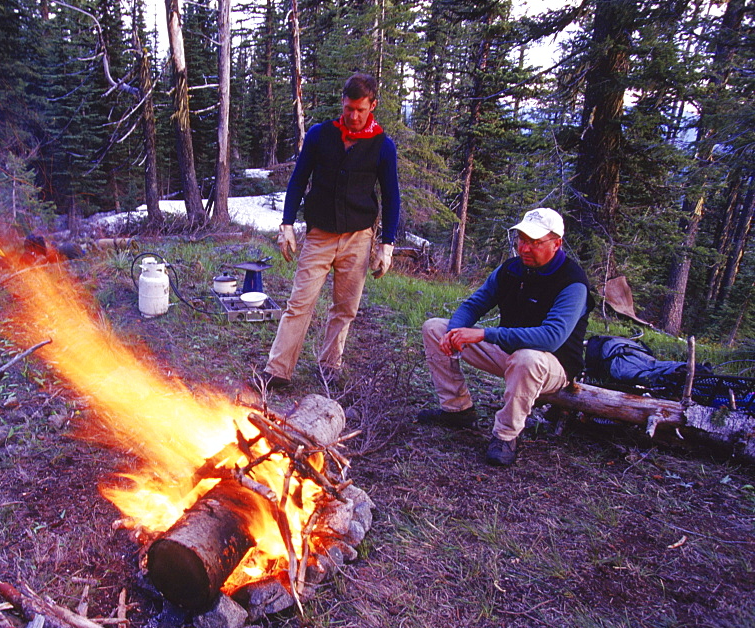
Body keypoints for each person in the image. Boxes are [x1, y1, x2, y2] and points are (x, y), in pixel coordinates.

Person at [416, 208, 595, 466]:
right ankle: (457, 410)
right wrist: (456, 331)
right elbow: (474, 304)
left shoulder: (573, 282)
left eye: (535, 243)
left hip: (553, 365)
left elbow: (551, 337)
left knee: (528, 359)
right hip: (509, 352)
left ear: (556, 244)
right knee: (435, 328)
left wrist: (484, 334)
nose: (524, 248)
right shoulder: (512, 269)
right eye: (521, 240)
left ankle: (506, 435)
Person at [255, 73, 400, 389]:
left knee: (344, 308)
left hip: (359, 238)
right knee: (300, 303)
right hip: (319, 235)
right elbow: (298, 179)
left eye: (360, 110)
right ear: (342, 103)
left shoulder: (382, 146)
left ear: (372, 105)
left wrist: (386, 244)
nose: (353, 116)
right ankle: (278, 370)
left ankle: (329, 367)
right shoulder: (321, 135)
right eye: (349, 108)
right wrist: (287, 225)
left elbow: (391, 197)